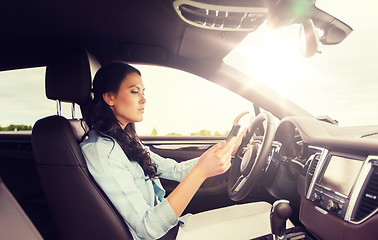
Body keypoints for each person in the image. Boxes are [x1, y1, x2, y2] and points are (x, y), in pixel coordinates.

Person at [80, 62, 238, 240]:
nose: (143, 99)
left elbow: (176, 171)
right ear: (110, 98)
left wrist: (228, 150)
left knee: (261, 209)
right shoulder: (102, 152)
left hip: (171, 229)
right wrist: (201, 172)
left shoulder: (127, 141)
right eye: (134, 91)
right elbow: (147, 228)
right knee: (267, 217)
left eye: (143, 92)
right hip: (160, 236)